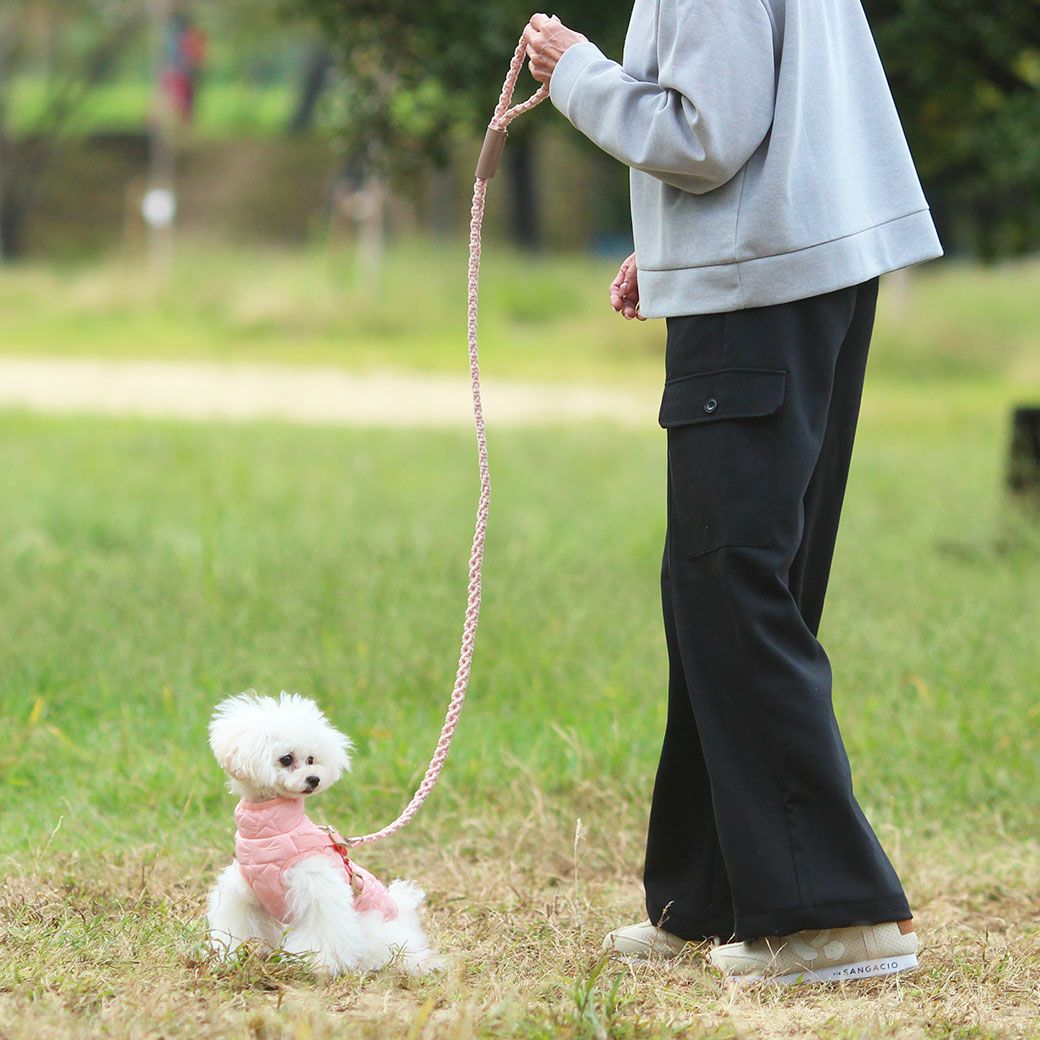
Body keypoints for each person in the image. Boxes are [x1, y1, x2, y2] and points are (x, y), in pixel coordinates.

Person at [523, 1, 942, 986]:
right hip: (800, 272)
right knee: (729, 581)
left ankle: (832, 912)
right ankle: (708, 894)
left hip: (758, 297)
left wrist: (576, 71)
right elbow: (769, 118)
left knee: (730, 579)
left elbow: (704, 137)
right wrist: (669, 248)